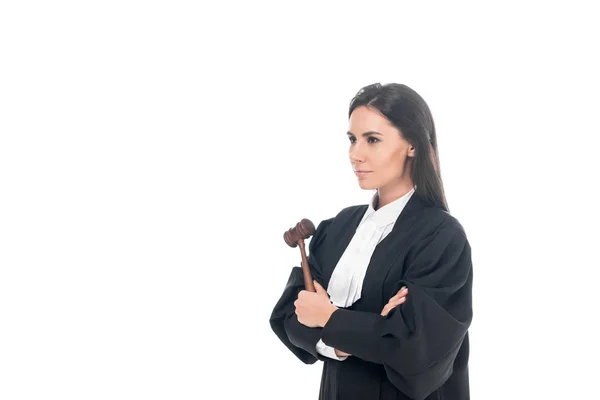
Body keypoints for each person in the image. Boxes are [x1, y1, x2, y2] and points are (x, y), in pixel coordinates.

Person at [269, 83, 473, 400]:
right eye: (352, 139)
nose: (355, 154)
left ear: (413, 145)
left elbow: (416, 351)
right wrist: (368, 330)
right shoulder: (336, 228)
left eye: (372, 140)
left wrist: (328, 317)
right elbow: (288, 317)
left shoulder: (441, 237)